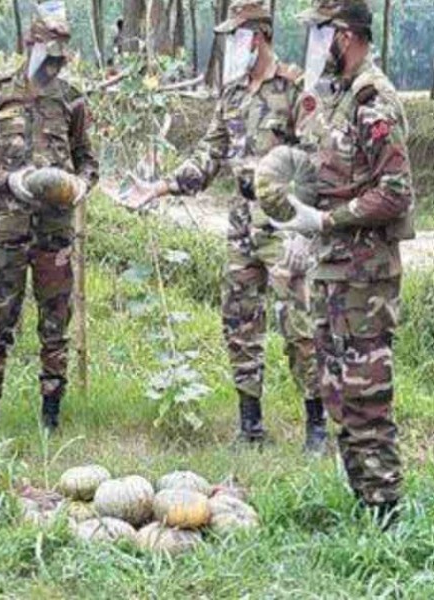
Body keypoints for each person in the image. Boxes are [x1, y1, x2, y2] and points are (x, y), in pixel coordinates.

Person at [119, 0, 323, 452]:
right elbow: (208, 155)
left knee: (299, 324)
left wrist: (305, 231)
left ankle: (317, 428)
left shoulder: (295, 90)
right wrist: (160, 187)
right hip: (241, 225)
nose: (230, 44)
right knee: (239, 322)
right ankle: (250, 427)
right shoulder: (231, 95)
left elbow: (315, 163)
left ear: (258, 36)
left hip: (284, 223)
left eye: (235, 36)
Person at [265, 0, 414, 524]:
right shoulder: (339, 99)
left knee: (366, 398)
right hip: (333, 274)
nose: (314, 44)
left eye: (320, 33)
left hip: (365, 278)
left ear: (345, 36)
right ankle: (362, 506)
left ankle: (387, 518)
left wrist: (328, 221)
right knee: (337, 395)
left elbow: (395, 192)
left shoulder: (374, 100)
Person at [0, 0, 99, 443]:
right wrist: (10, 181)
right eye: (49, 50)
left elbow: (88, 161)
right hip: (9, 230)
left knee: (55, 325)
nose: (55, 62)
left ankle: (51, 420)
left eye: (62, 53)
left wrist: (82, 186)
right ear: (30, 43)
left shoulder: (71, 97)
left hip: (54, 234)